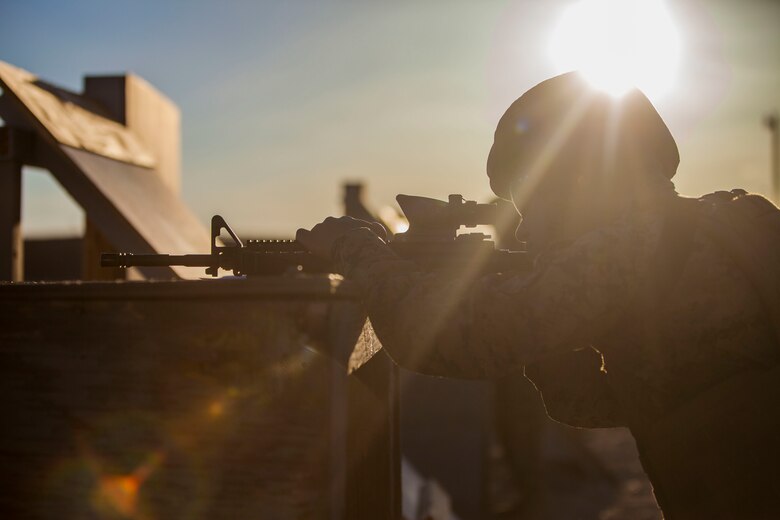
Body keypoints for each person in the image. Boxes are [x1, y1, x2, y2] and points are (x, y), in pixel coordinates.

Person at [297, 72, 780, 519]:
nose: (526, 217)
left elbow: (447, 338)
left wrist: (353, 246)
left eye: (528, 187)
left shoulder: (629, 248)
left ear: (579, 172)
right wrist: (538, 320)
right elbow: (600, 401)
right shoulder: (722, 221)